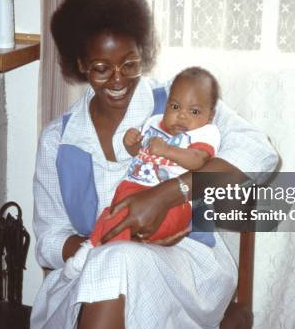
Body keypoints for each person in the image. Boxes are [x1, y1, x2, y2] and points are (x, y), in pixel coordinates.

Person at [30, 0, 279, 329]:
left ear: (142, 54)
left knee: (116, 263)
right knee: (112, 262)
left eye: (129, 64)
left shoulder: (178, 104)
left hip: (184, 267)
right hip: (91, 271)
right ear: (80, 65)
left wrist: (167, 195)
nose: (118, 80)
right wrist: (106, 239)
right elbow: (49, 239)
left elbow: (259, 152)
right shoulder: (60, 139)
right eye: (101, 68)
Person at [62, 67, 222, 279]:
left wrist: (167, 150)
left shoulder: (204, 133)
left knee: (120, 223)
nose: (181, 115)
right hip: (132, 191)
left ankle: (98, 259)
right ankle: (92, 247)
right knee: (110, 215)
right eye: (175, 106)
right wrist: (132, 144)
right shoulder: (156, 124)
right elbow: (140, 153)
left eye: (194, 111)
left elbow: (197, 160)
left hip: (172, 204)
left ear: (210, 115)